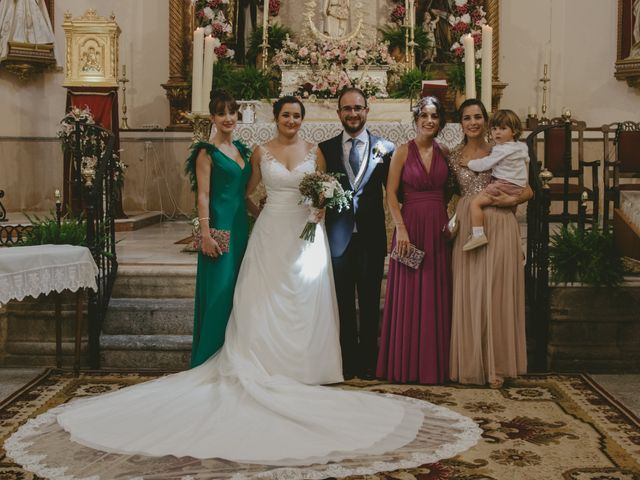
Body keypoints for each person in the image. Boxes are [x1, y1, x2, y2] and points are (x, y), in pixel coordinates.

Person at [6, 96, 481, 479]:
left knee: (308, 298)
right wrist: (245, 220)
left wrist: (315, 210)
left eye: (297, 115)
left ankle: (312, 364)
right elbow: (249, 192)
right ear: (276, 118)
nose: (293, 121)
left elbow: (321, 187)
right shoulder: (258, 151)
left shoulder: (317, 151)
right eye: (286, 115)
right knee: (263, 299)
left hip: (307, 236)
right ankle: (265, 362)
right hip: (272, 231)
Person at [448, 98, 531, 388]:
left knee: (495, 293)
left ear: (487, 121)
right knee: (471, 293)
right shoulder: (453, 154)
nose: (473, 122)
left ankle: (497, 366)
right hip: (468, 226)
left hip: (499, 222)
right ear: (460, 123)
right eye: (467, 118)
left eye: (478, 117)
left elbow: (528, 188)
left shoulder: (502, 149)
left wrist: (513, 199)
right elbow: (447, 194)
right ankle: (471, 364)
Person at [319, 87, 395, 380]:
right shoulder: (325, 149)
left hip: (371, 236)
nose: (353, 113)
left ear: (367, 110)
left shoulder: (385, 149)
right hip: (338, 236)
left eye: (358, 108)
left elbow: (393, 193)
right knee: (342, 301)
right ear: (339, 113)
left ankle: (369, 361)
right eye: (347, 109)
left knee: (369, 298)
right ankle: (347, 361)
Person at [376, 96, 452, 384]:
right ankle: (405, 365)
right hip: (409, 227)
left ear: (440, 121)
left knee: (436, 292)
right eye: (424, 115)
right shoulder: (401, 152)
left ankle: (435, 365)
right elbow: (391, 193)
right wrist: (402, 229)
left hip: (437, 228)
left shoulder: (445, 151)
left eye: (434, 116)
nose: (429, 120)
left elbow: (453, 189)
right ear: (416, 118)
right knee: (409, 293)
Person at [186, 91, 252, 367]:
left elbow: (244, 194)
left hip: (241, 227)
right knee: (220, 291)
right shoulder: (206, 152)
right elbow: (202, 195)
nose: (228, 118)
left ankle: (233, 355)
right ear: (212, 118)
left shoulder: (241, 149)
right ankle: (209, 358)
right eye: (221, 113)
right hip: (220, 227)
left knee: (238, 291)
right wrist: (205, 234)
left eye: (232, 112)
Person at [461, 109, 529, 251]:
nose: (497, 132)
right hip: (516, 187)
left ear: (514, 131)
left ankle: (478, 235)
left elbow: (485, 164)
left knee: (475, 204)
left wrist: (469, 163)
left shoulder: (500, 150)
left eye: (503, 129)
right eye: (494, 129)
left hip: (502, 187)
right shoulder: (521, 148)